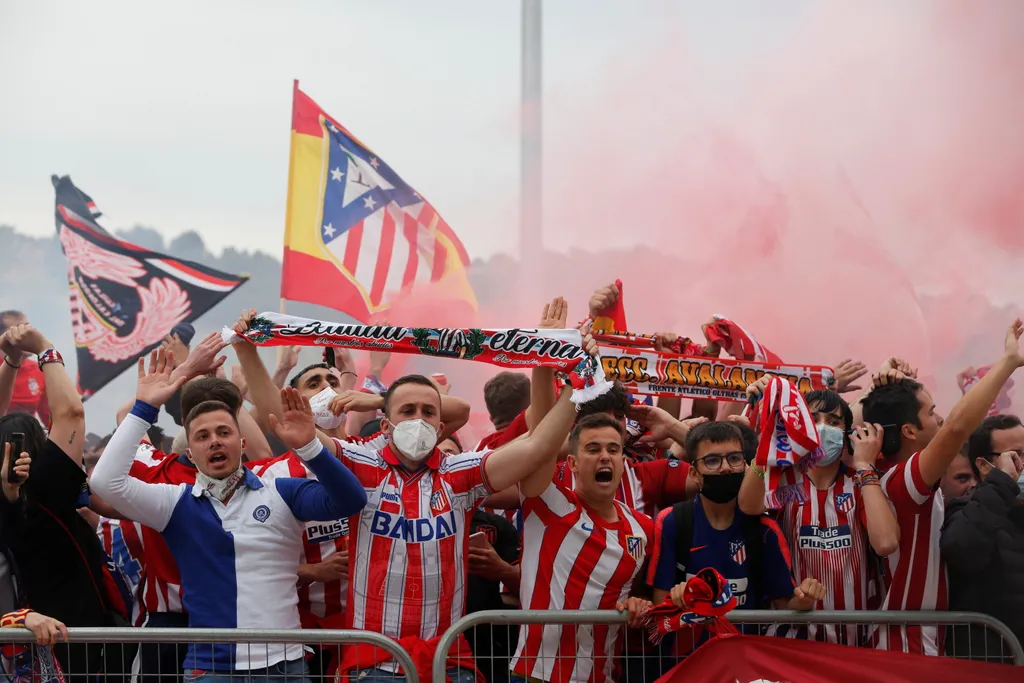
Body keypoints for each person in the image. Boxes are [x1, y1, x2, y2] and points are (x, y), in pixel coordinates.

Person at [91, 349, 368, 682]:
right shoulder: (174, 503)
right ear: (190, 453)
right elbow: (105, 482)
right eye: (203, 437)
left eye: (223, 433)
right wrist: (144, 407)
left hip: (286, 668)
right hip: (211, 669)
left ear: (241, 441)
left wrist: (310, 447)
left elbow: (351, 500)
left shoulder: (280, 489)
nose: (214, 443)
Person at [859, 321, 1024, 656]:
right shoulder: (899, 481)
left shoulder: (888, 475)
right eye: (932, 412)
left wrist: (884, 384)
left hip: (926, 639)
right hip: (907, 645)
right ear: (908, 431)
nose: (940, 419)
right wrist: (1009, 361)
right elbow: (958, 428)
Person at [0, 323, 129, 682]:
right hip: (75, 646)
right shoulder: (46, 486)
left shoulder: (9, 500)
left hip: (20, 648)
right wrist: (43, 346)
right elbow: (71, 413)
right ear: (41, 446)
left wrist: (11, 362)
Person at [737, 387, 899, 645]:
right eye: (813, 420)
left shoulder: (860, 482)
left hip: (858, 639)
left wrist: (865, 467)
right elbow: (748, 506)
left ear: (847, 434)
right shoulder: (786, 482)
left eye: (834, 422)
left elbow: (886, 543)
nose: (822, 428)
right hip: (795, 637)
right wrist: (768, 445)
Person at [649, 421, 826, 656]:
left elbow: (786, 606)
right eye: (712, 461)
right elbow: (660, 603)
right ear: (694, 473)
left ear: (745, 464)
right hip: (685, 665)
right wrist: (678, 598)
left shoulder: (765, 530)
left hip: (745, 664)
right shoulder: (671, 521)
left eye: (734, 459)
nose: (725, 468)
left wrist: (806, 599)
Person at [510, 413, 654, 683]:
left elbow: (649, 597)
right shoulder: (548, 502)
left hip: (601, 677)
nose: (604, 456)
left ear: (623, 462)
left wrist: (640, 605)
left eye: (613, 449)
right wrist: (545, 374)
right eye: (593, 449)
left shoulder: (644, 528)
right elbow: (536, 445)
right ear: (572, 463)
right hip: (536, 675)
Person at [941, 414, 1024, 663]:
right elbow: (960, 550)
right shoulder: (963, 509)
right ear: (984, 466)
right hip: (990, 664)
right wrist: (1002, 485)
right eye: (1016, 455)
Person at [441, 436, 521, 683]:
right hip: (432, 642)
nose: (446, 465)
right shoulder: (408, 525)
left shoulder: (497, 527)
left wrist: (501, 570)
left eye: (453, 458)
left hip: (489, 646)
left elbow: (528, 588)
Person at [0, 312, 50, 424]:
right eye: (19, 330)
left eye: (29, 329)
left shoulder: (39, 370)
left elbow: (51, 420)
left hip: (26, 437)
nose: (27, 336)